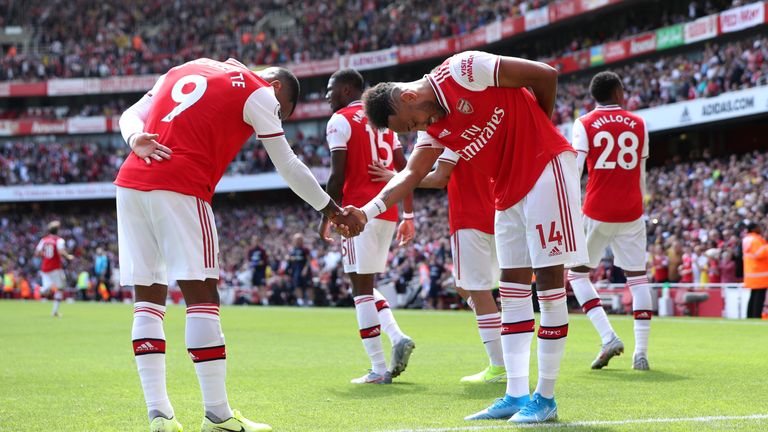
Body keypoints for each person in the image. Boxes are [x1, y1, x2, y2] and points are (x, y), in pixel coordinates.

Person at [115, 57, 359, 432]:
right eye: (283, 112)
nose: (276, 117)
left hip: (130, 181)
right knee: (202, 297)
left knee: (147, 300)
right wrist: (331, 209)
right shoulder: (259, 92)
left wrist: (135, 140)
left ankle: (159, 415)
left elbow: (129, 114)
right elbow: (289, 165)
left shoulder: (187, 66)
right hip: (182, 185)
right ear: (278, 88)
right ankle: (217, 414)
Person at [352, 50, 587, 423]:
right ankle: (514, 393)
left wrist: (536, 129)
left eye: (411, 124)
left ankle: (546, 398)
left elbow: (545, 74)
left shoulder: (463, 70)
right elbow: (410, 176)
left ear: (409, 98)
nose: (420, 128)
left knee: (549, 284)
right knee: (511, 290)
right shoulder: (435, 127)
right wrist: (365, 212)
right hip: (506, 189)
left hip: (546, 166)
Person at [369, 146, 505, 383]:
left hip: (470, 217)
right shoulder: (485, 124)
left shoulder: (455, 132)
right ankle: (502, 344)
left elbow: (440, 177)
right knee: (468, 286)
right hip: (498, 212)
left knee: (478, 290)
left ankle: (499, 366)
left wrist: (397, 178)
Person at [319, 68, 415, 384]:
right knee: (367, 284)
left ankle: (377, 368)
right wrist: (408, 214)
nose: (326, 95)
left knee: (359, 290)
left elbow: (336, 177)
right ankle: (397, 335)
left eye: (331, 89)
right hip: (385, 211)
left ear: (348, 90)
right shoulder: (385, 121)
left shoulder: (340, 121)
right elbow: (406, 171)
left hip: (355, 213)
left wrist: (327, 216)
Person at [567, 71, 652, 371]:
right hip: (631, 211)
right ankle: (641, 352)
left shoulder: (584, 123)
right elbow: (641, 174)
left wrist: (572, 211)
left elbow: (575, 170)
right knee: (638, 279)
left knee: (577, 276)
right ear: (617, 92)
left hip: (596, 210)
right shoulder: (640, 124)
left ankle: (608, 336)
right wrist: (638, 207)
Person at [34, 220, 74, 317]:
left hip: (44, 268)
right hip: (55, 268)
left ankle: (40, 290)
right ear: (58, 230)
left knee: (47, 288)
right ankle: (54, 311)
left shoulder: (44, 240)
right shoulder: (59, 240)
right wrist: (68, 256)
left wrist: (45, 255)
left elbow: (37, 253)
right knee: (60, 288)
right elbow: (60, 252)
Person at [742, 222, 768, 318]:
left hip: (751, 273)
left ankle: (750, 316)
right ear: (753, 229)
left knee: (753, 296)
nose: (760, 229)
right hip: (759, 273)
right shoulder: (756, 240)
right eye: (758, 227)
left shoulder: (747, 239)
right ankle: (756, 316)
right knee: (759, 297)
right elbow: (759, 254)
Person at [287, 233, 312, 306]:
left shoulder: (305, 249)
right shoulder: (292, 249)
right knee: (297, 286)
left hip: (304, 270)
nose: (297, 241)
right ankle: (300, 301)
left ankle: (310, 302)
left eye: (299, 239)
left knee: (308, 286)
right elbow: (290, 259)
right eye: (296, 239)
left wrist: (305, 269)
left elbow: (308, 260)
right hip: (296, 270)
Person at [247, 236, 269, 305]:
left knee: (262, 286)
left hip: (261, 271)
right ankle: (261, 300)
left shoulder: (262, 250)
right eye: (254, 241)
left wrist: (256, 263)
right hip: (254, 271)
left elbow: (265, 261)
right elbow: (249, 261)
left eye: (256, 241)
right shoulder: (250, 250)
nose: (255, 242)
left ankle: (265, 301)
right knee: (256, 286)